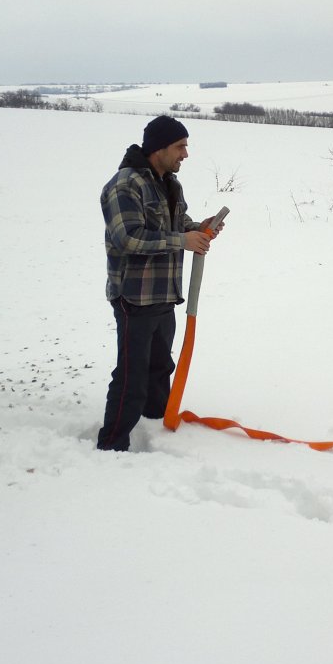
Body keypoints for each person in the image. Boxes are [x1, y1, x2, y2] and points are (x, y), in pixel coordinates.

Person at [98, 116, 222, 451]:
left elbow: (177, 223)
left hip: (164, 293)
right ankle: (112, 444)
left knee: (158, 367)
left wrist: (201, 227)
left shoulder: (169, 183)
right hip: (134, 297)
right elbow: (129, 238)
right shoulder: (125, 185)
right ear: (159, 148)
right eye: (180, 146)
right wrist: (182, 240)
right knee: (131, 377)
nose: (186, 154)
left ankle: (154, 427)